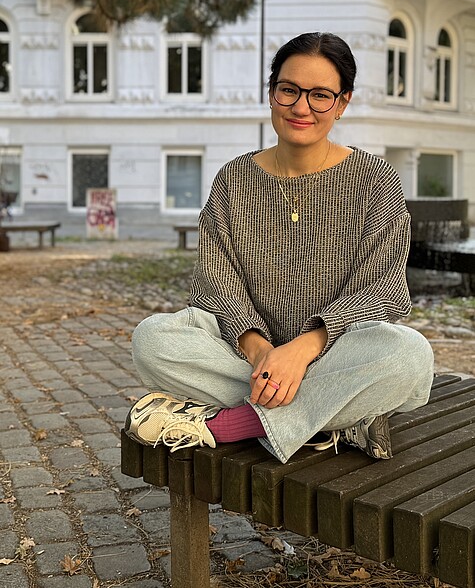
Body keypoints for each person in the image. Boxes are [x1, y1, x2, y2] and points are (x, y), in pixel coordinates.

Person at [126, 31, 434, 464]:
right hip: (250, 357)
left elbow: (380, 290)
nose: (301, 107)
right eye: (289, 90)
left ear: (342, 103)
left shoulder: (374, 181)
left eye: (320, 95)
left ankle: (230, 426)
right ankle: (339, 417)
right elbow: (216, 284)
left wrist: (305, 349)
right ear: (272, 93)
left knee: (409, 357)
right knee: (153, 339)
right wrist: (263, 353)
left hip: (338, 350)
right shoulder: (233, 180)